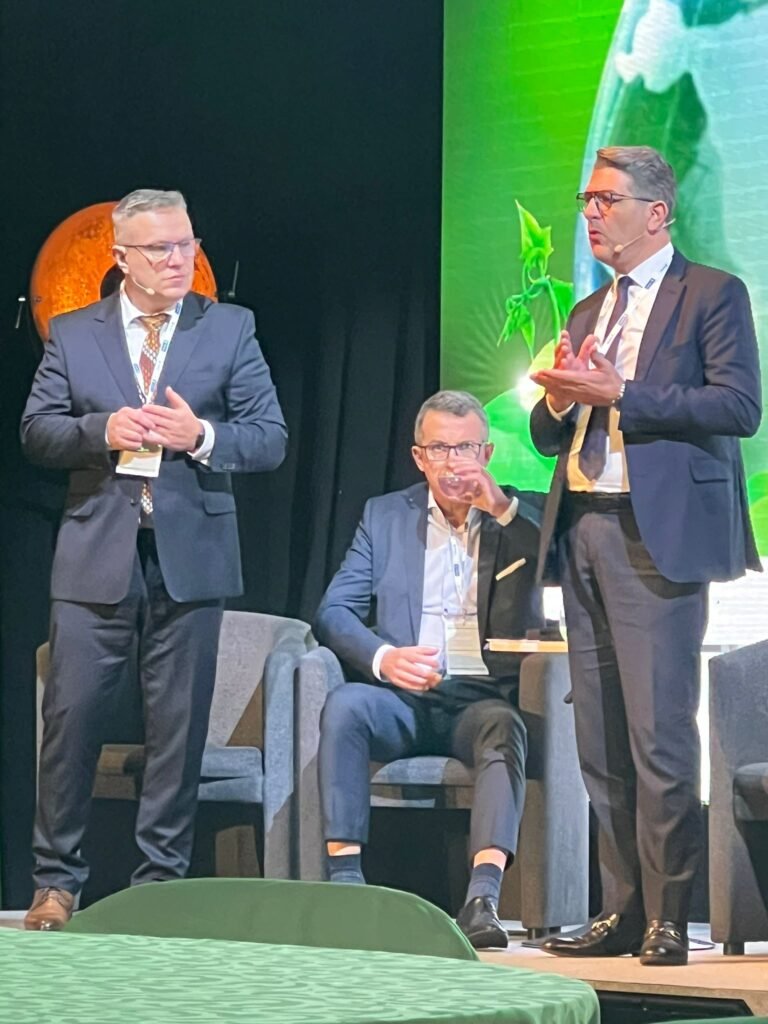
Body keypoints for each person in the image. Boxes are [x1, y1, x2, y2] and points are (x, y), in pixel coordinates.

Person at [21, 188, 287, 929]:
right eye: (161, 248)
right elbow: (37, 431)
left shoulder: (229, 327)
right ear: (121, 258)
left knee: (178, 729)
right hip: (95, 552)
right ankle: (56, 883)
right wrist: (102, 429)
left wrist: (200, 436)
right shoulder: (74, 334)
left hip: (191, 555)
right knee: (70, 721)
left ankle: (158, 890)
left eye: (187, 244)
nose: (179, 260)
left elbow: (269, 437)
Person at [529, 146, 761, 966]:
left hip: (655, 534)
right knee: (599, 739)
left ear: (655, 213)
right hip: (581, 527)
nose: (592, 214)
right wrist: (560, 397)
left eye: (607, 199)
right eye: (586, 200)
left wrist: (622, 393)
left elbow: (738, 406)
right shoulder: (591, 308)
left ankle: (669, 914)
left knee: (659, 734)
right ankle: (620, 909)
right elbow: (548, 432)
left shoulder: (712, 294)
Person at [314, 389, 544, 949]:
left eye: (465, 448)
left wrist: (501, 509)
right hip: (405, 699)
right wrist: (385, 658)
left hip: (482, 699)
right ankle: (346, 887)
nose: (453, 462)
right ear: (419, 457)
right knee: (345, 706)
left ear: (487, 454)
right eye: (439, 449)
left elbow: (557, 563)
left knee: (504, 728)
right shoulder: (385, 516)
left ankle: (482, 900)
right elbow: (334, 610)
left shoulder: (521, 514)